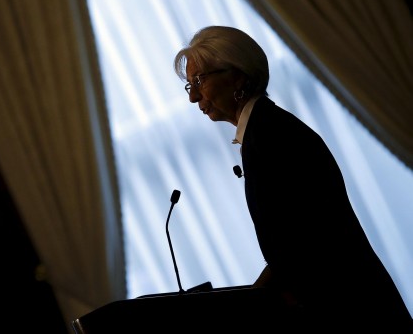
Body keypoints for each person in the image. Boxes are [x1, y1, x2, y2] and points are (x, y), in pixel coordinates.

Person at [173, 26, 412, 331]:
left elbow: (305, 243)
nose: (193, 97)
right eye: (189, 85)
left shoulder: (271, 135)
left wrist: (247, 302)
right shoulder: (265, 130)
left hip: (351, 311)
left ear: (238, 77)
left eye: (199, 81)